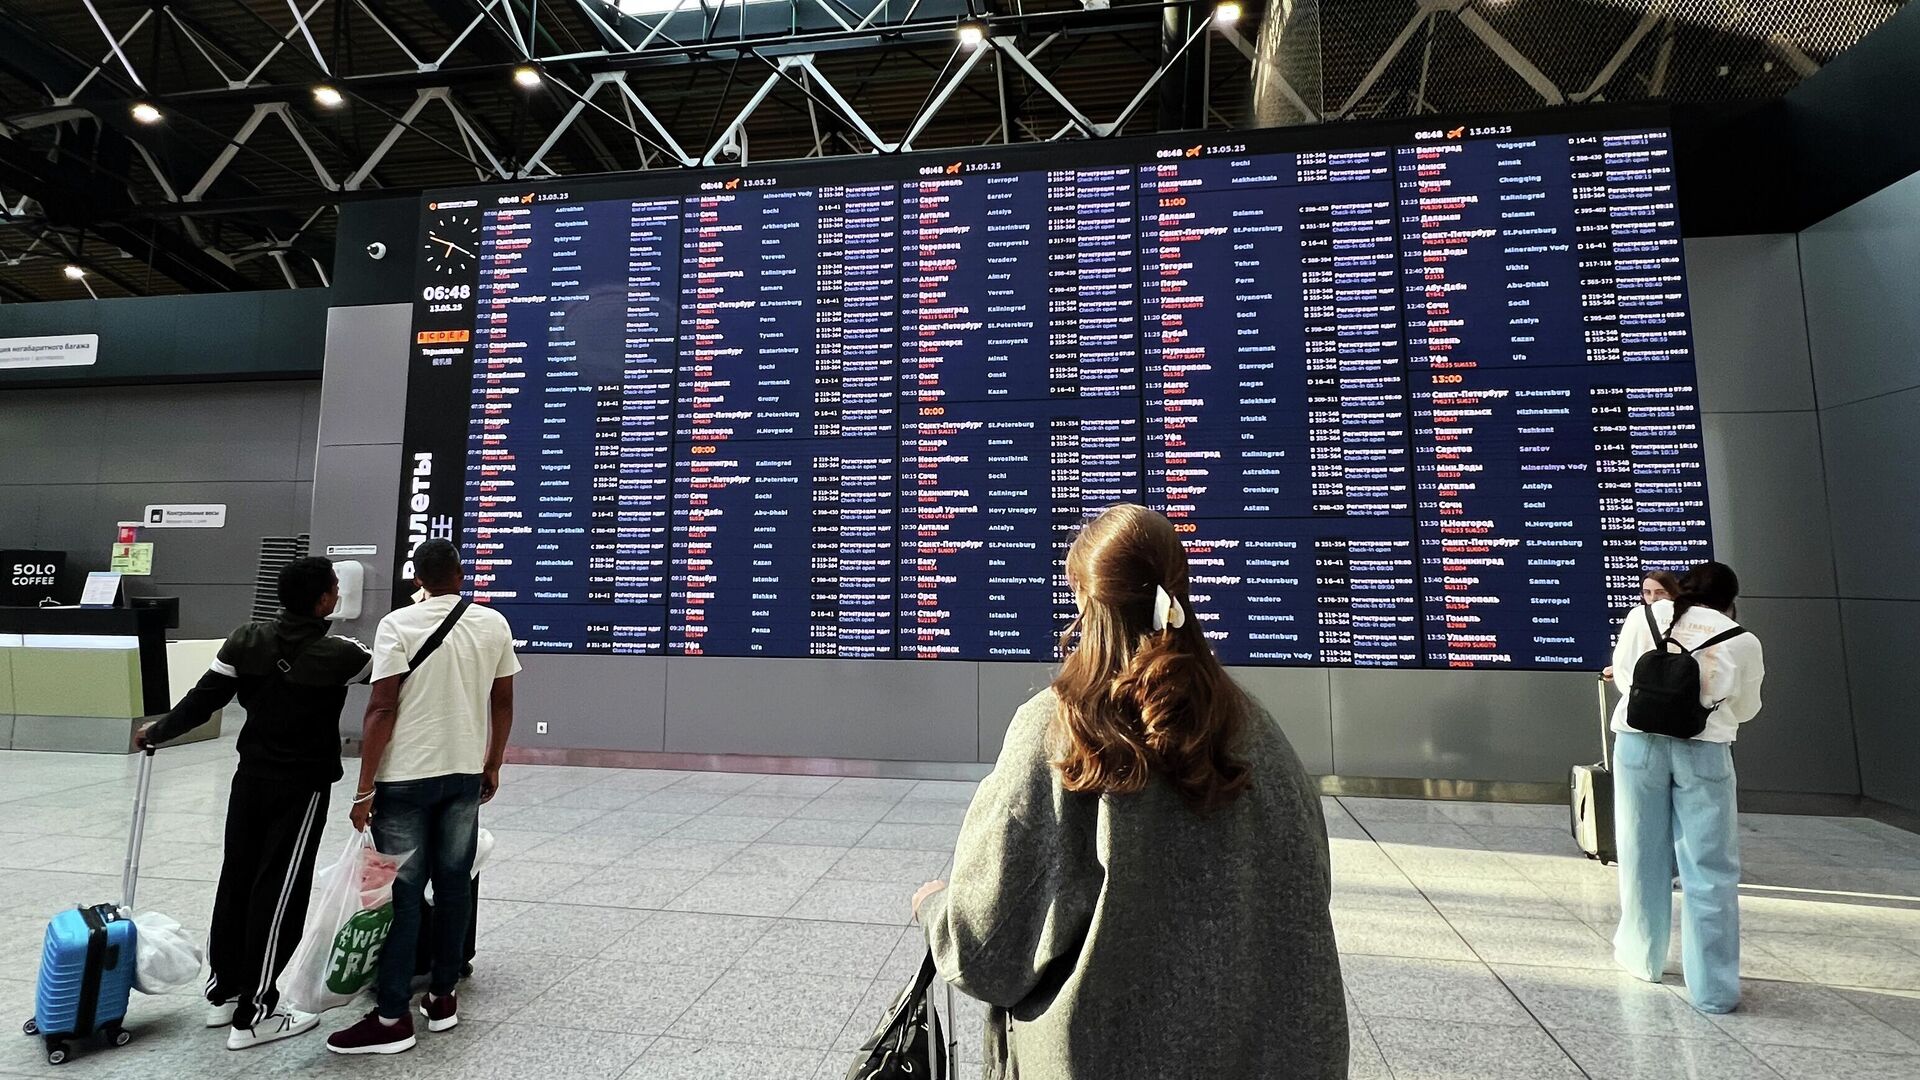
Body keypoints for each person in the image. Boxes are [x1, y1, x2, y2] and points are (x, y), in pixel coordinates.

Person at [911, 503, 1347, 1078]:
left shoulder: (1060, 733)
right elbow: (1306, 891)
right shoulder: (1257, 730)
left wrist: (934, 908)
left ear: (1085, 602)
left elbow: (986, 952)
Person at [136, 557, 371, 1050]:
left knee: (237, 878)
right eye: (333, 589)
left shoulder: (244, 640)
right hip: (301, 787)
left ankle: (223, 993)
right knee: (279, 891)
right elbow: (395, 673)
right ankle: (255, 1013)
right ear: (324, 600)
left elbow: (204, 699)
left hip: (250, 780)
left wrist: (158, 731)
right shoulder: (341, 654)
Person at [326, 539, 520, 1055]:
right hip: (463, 775)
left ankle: (392, 1016)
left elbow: (381, 708)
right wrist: (493, 762)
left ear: (417, 578)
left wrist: (364, 789)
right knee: (454, 887)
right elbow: (503, 701)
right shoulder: (493, 623)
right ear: (460, 574)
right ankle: (442, 997)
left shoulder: (397, 624)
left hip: (405, 778)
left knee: (403, 895)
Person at [1607, 561, 1764, 1013]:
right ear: (1731, 600)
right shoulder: (1742, 638)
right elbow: (1746, 708)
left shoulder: (1644, 616)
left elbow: (1625, 677)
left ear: (1684, 587)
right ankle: (1715, 990)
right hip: (1705, 750)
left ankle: (1642, 958)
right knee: (1710, 868)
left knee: (1640, 851)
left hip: (1638, 743)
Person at [1601, 570, 1680, 682]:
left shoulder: (1690, 616)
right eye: (1647, 592)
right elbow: (1626, 658)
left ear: (1672, 592)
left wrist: (1622, 676)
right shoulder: (1637, 616)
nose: (1653, 598)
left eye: (1660, 592)